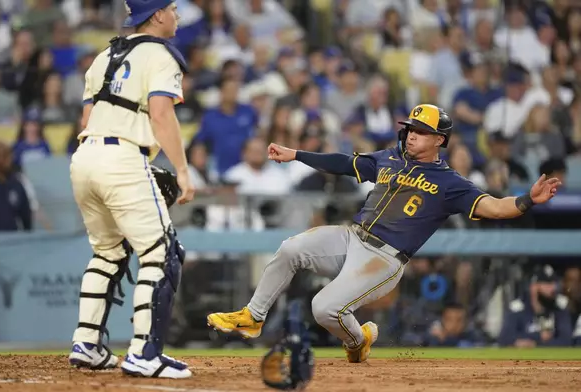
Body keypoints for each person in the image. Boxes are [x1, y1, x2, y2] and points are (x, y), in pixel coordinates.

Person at [207, 104, 561, 363]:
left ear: (439, 140)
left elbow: (495, 207)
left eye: (420, 131)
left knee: (324, 308)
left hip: (384, 258)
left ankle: (358, 340)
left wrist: (528, 199)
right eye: (410, 128)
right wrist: (296, 154)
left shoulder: (452, 183)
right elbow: (345, 164)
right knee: (290, 248)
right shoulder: (391, 157)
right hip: (352, 237)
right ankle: (253, 316)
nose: (411, 135)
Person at [67, 0, 195, 379]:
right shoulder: (160, 54)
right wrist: (183, 172)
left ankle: (86, 344)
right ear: (157, 15)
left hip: (85, 156)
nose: (177, 15)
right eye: (172, 8)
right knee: (162, 253)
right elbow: (160, 113)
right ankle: (144, 352)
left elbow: (89, 117)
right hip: (122, 158)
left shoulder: (105, 54)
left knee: (107, 252)